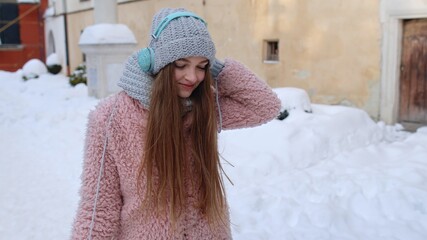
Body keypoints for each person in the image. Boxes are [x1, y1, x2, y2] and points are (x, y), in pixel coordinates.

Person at [71, 7, 281, 240]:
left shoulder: (204, 107)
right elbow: (98, 211)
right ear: (155, 62)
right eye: (181, 64)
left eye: (201, 66)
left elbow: (265, 106)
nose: (193, 77)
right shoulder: (110, 118)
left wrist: (217, 68)